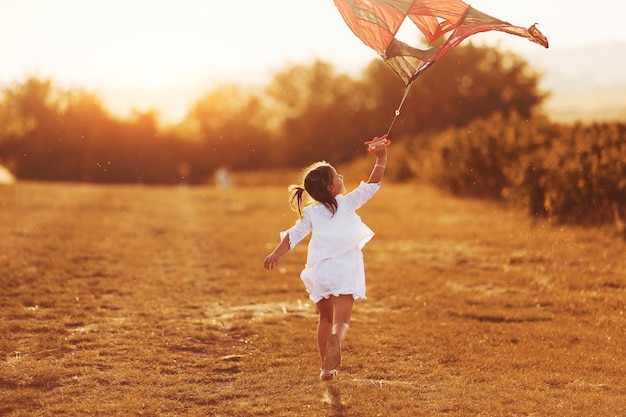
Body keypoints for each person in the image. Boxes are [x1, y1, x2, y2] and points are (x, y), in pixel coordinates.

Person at [264, 139, 388, 381]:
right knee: (341, 321)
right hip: (344, 270)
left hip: (320, 272)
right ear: (332, 189)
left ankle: (326, 369)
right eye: (337, 176)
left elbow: (293, 236)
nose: (341, 176)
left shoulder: (310, 212)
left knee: (325, 318)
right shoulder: (346, 202)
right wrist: (381, 158)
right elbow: (372, 184)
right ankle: (337, 340)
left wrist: (275, 253)